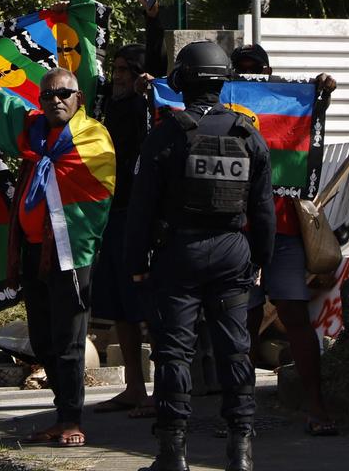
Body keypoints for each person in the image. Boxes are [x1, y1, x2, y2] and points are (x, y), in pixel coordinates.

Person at [0, 16, 115, 449]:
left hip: (72, 255)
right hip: (33, 251)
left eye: (64, 93)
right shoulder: (33, 131)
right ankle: (59, 411)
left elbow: (101, 192)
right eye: (48, 93)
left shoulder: (93, 137)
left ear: (79, 98)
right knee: (43, 339)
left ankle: (72, 418)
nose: (56, 100)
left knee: (70, 341)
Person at [125, 41, 276, 471]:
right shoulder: (248, 135)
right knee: (235, 350)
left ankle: (173, 454)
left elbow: (142, 208)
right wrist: (261, 261)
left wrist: (135, 264)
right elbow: (263, 209)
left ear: (183, 81)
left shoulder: (167, 134)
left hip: (179, 255)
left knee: (174, 353)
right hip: (233, 254)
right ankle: (241, 451)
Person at [231, 43, 340, 437]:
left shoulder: (284, 106)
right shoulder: (221, 110)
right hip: (237, 234)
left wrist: (320, 95)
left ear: (268, 70)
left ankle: (316, 405)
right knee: (241, 322)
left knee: (295, 316)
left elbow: (307, 125)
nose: (248, 76)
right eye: (240, 70)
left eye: (254, 70)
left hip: (283, 233)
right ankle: (239, 415)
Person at [89, 0, 167, 419]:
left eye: (126, 70)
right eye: (115, 69)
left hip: (140, 215)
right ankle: (134, 388)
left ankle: (160, 390)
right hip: (108, 214)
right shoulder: (104, 104)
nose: (118, 75)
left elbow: (158, 60)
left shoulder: (147, 104)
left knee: (147, 305)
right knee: (119, 305)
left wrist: (151, 16)